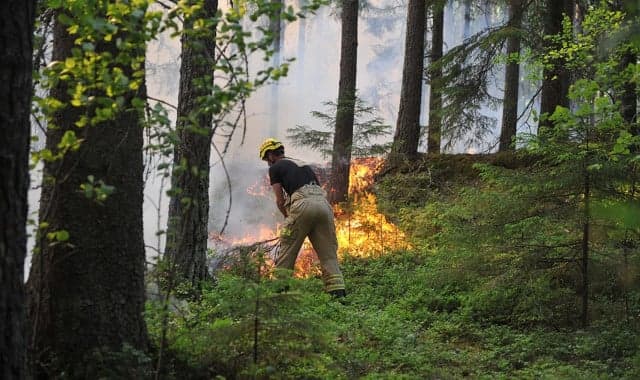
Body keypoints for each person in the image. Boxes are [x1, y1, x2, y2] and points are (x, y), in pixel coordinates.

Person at [259, 138, 346, 298]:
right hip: (324, 205)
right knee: (328, 253)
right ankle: (337, 293)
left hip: (302, 204)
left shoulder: (275, 167)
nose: (268, 163)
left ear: (271, 155)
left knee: (288, 248)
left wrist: (288, 218)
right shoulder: (301, 163)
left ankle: (279, 292)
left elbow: (280, 200)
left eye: (266, 159)